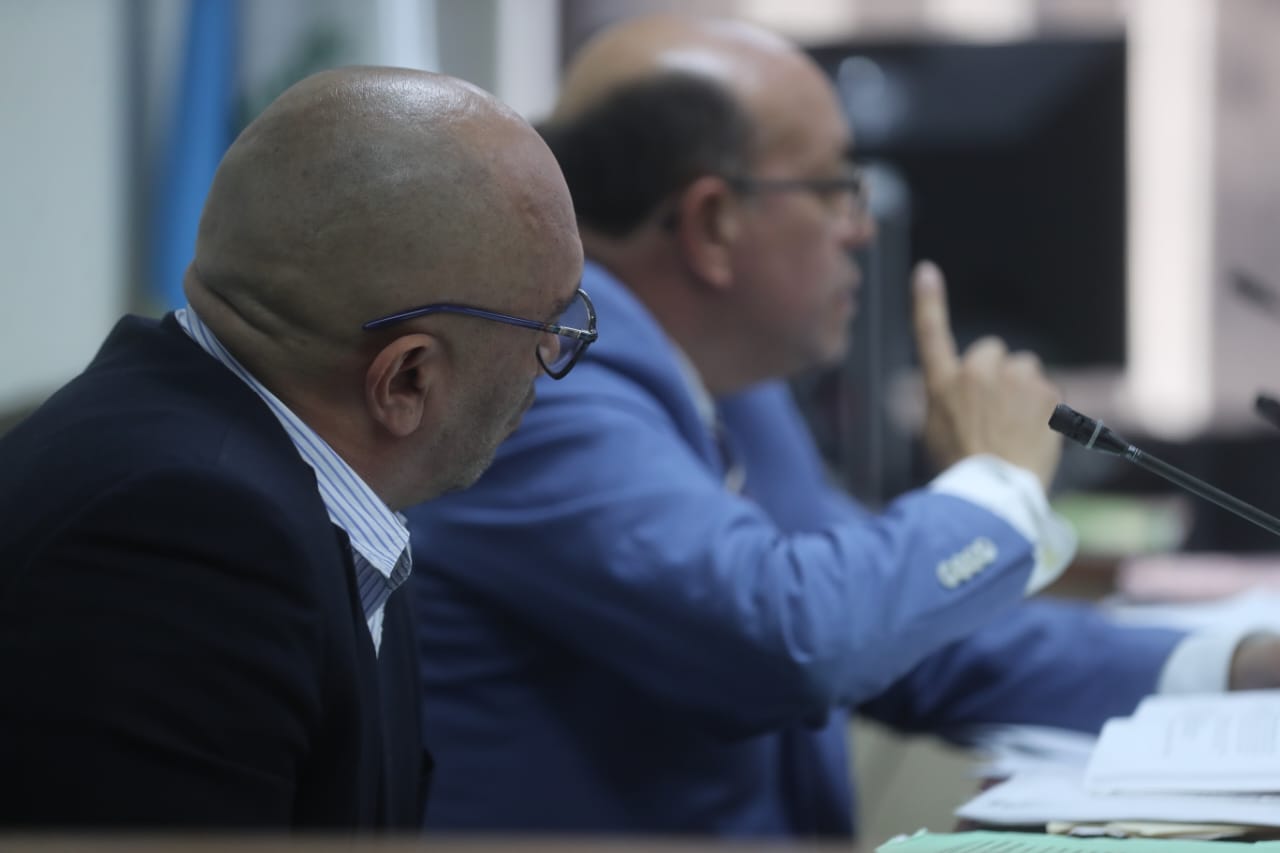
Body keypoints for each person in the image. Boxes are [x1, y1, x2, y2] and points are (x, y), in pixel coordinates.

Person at [405, 16, 1280, 839]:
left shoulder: (728, 379)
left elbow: (907, 635)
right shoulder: (543, 381)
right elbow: (793, 636)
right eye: (836, 188)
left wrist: (1246, 661)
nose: (863, 228)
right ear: (713, 223)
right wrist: (997, 483)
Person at [0, 66, 588, 829]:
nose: (554, 355)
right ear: (406, 378)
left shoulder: (315, 489)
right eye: (547, 325)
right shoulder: (195, 535)